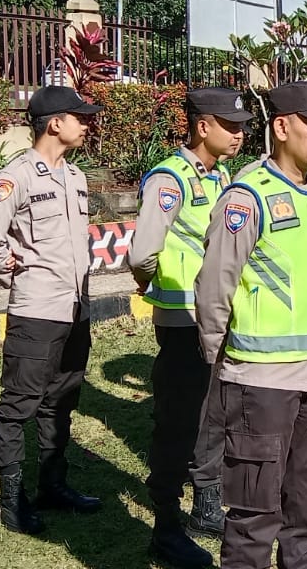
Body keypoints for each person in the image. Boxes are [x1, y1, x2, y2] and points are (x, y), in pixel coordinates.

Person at [194, 81, 307, 569]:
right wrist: (222, 359)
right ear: (281, 127)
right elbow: (215, 286)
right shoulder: (247, 198)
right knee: (256, 513)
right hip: (262, 381)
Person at [130, 87, 250, 566]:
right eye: (231, 126)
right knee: (182, 417)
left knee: (213, 410)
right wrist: (150, 282)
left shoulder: (221, 178)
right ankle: (167, 524)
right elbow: (143, 253)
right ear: (203, 126)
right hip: (183, 316)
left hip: (212, 312)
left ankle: (205, 499)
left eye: (243, 126)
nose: (240, 135)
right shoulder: (170, 179)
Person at [0, 85, 103, 536]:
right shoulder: (17, 177)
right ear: (55, 123)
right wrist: (24, 280)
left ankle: (53, 486)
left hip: (75, 308)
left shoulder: (76, 177)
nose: (86, 123)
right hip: (37, 312)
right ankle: (12, 502)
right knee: (18, 407)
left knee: (61, 402)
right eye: (79, 116)